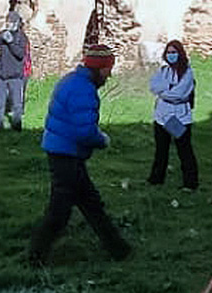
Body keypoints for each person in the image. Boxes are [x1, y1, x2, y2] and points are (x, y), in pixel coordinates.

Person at [27, 44, 133, 264]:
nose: (110, 74)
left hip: (62, 151)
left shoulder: (72, 81)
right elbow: (84, 131)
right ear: (100, 68)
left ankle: (119, 250)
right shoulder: (83, 90)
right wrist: (102, 140)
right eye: (108, 69)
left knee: (91, 204)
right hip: (67, 155)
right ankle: (35, 257)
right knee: (60, 212)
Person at [147, 39, 199, 190]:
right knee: (161, 150)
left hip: (178, 117)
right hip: (161, 116)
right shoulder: (163, 71)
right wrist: (167, 89)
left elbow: (180, 94)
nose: (171, 55)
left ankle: (190, 183)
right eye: (169, 52)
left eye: (174, 52)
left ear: (180, 53)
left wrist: (163, 92)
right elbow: (153, 86)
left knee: (184, 150)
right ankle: (156, 179)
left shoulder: (187, 73)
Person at [0, 11, 30, 131]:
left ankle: (16, 126)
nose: (9, 24)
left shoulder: (22, 37)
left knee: (17, 104)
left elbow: (20, 54)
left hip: (16, 76)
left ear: (17, 23)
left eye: (11, 22)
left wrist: (11, 42)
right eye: (7, 22)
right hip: (2, 75)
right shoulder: (2, 35)